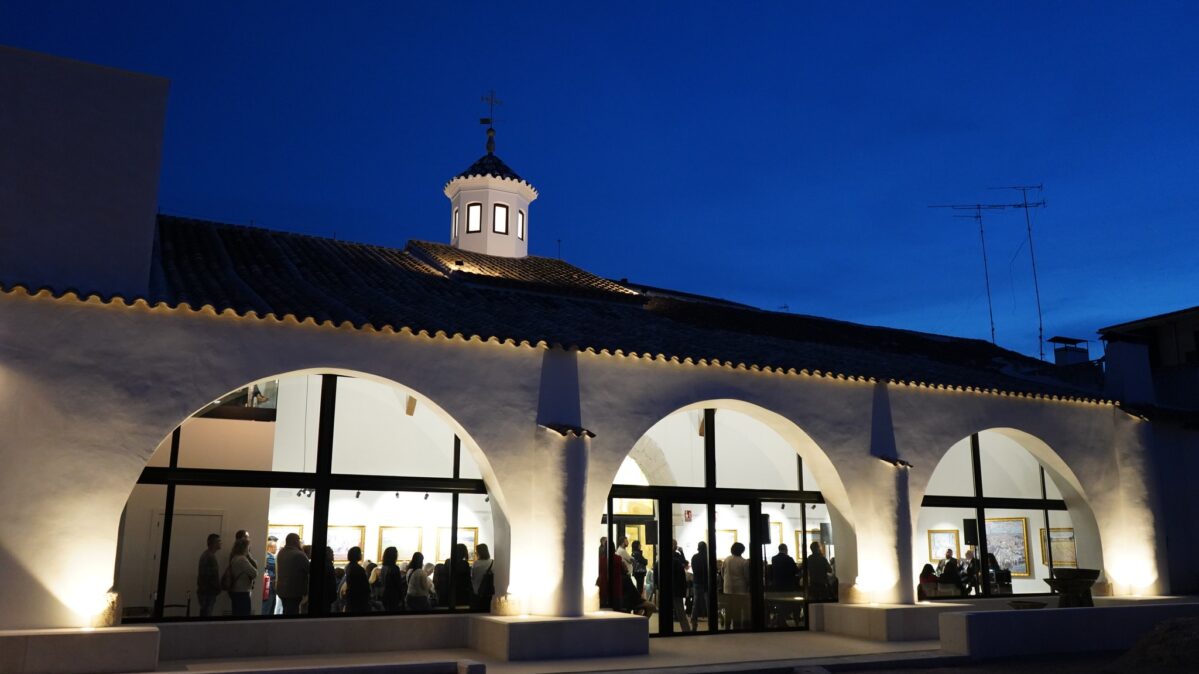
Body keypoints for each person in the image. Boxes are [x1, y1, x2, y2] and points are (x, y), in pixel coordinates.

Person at [275, 533, 308, 615]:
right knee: (292, 614)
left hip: (282, 589)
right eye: (298, 540)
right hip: (293, 591)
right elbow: (308, 569)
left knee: (286, 611)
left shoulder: (281, 552)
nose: (299, 542)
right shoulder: (299, 554)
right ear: (294, 541)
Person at [722, 542, 750, 629]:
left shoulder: (727, 559)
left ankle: (727, 625)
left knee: (728, 608)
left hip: (727, 587)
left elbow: (722, 572)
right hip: (740, 588)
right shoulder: (744, 562)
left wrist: (726, 580)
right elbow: (746, 576)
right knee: (737, 608)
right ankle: (736, 626)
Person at [227, 537, 257, 616]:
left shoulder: (234, 558)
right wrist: (249, 556)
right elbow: (254, 573)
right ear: (244, 548)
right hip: (242, 591)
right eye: (248, 546)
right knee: (244, 615)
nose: (249, 548)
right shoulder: (242, 559)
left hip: (234, 590)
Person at [196, 533, 222, 617]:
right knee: (207, 614)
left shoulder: (205, 555)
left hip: (204, 591)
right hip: (208, 592)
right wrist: (217, 588)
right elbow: (211, 576)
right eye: (219, 541)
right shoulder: (210, 557)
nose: (221, 543)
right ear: (213, 543)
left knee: (205, 612)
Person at [670, 540, 693, 632]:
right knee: (679, 609)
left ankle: (685, 629)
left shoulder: (674, 557)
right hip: (676, 587)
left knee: (678, 608)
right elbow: (684, 563)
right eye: (675, 545)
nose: (676, 546)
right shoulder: (676, 559)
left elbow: (684, 563)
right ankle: (686, 629)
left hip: (675, 587)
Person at [377, 546, 405, 612]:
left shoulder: (383, 567)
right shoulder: (394, 568)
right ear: (394, 556)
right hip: (393, 596)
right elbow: (398, 585)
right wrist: (402, 598)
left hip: (385, 595)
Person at [343, 546, 370, 613]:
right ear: (356, 555)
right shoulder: (358, 569)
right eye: (360, 553)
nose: (361, 554)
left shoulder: (349, 566)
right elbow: (364, 585)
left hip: (351, 596)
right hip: (358, 598)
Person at [470, 543, 495, 611]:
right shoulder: (492, 562)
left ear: (479, 552)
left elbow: (472, 576)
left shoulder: (476, 563)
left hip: (477, 591)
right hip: (488, 591)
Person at [690, 541, 709, 626]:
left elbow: (694, 569)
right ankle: (710, 617)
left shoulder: (694, 557)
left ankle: (693, 617)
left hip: (697, 581)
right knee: (708, 601)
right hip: (706, 582)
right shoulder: (707, 557)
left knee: (696, 601)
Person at [261, 535, 278, 615]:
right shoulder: (270, 558)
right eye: (275, 547)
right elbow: (276, 567)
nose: (276, 549)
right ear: (270, 548)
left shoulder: (267, 556)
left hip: (270, 585)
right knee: (267, 608)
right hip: (270, 585)